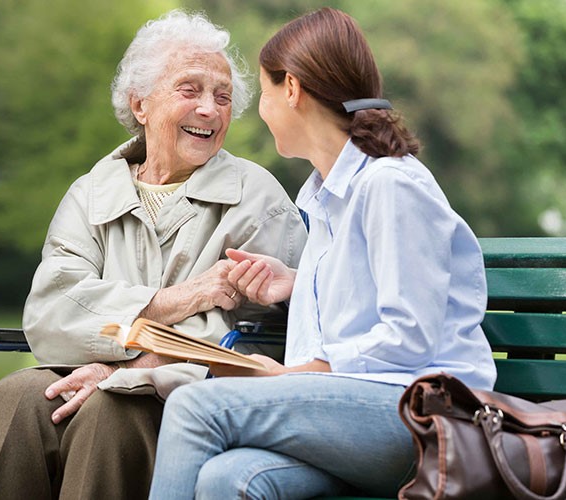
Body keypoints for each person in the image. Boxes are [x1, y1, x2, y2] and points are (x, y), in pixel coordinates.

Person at [0, 10, 307, 500]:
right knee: (13, 400)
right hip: (85, 369)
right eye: (190, 90)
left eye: (222, 96)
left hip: (188, 396)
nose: (210, 109)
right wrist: (178, 300)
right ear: (141, 104)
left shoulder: (256, 197)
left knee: (108, 413)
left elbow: (265, 338)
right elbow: (51, 310)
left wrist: (125, 373)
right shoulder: (91, 193)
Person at [149, 7, 497, 500]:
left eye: (266, 95)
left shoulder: (390, 184)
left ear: (291, 88)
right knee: (227, 480)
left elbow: (410, 336)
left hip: (425, 419)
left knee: (195, 406)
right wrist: (295, 282)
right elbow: (367, 301)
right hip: (362, 422)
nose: (261, 110)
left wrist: (296, 375)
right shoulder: (327, 198)